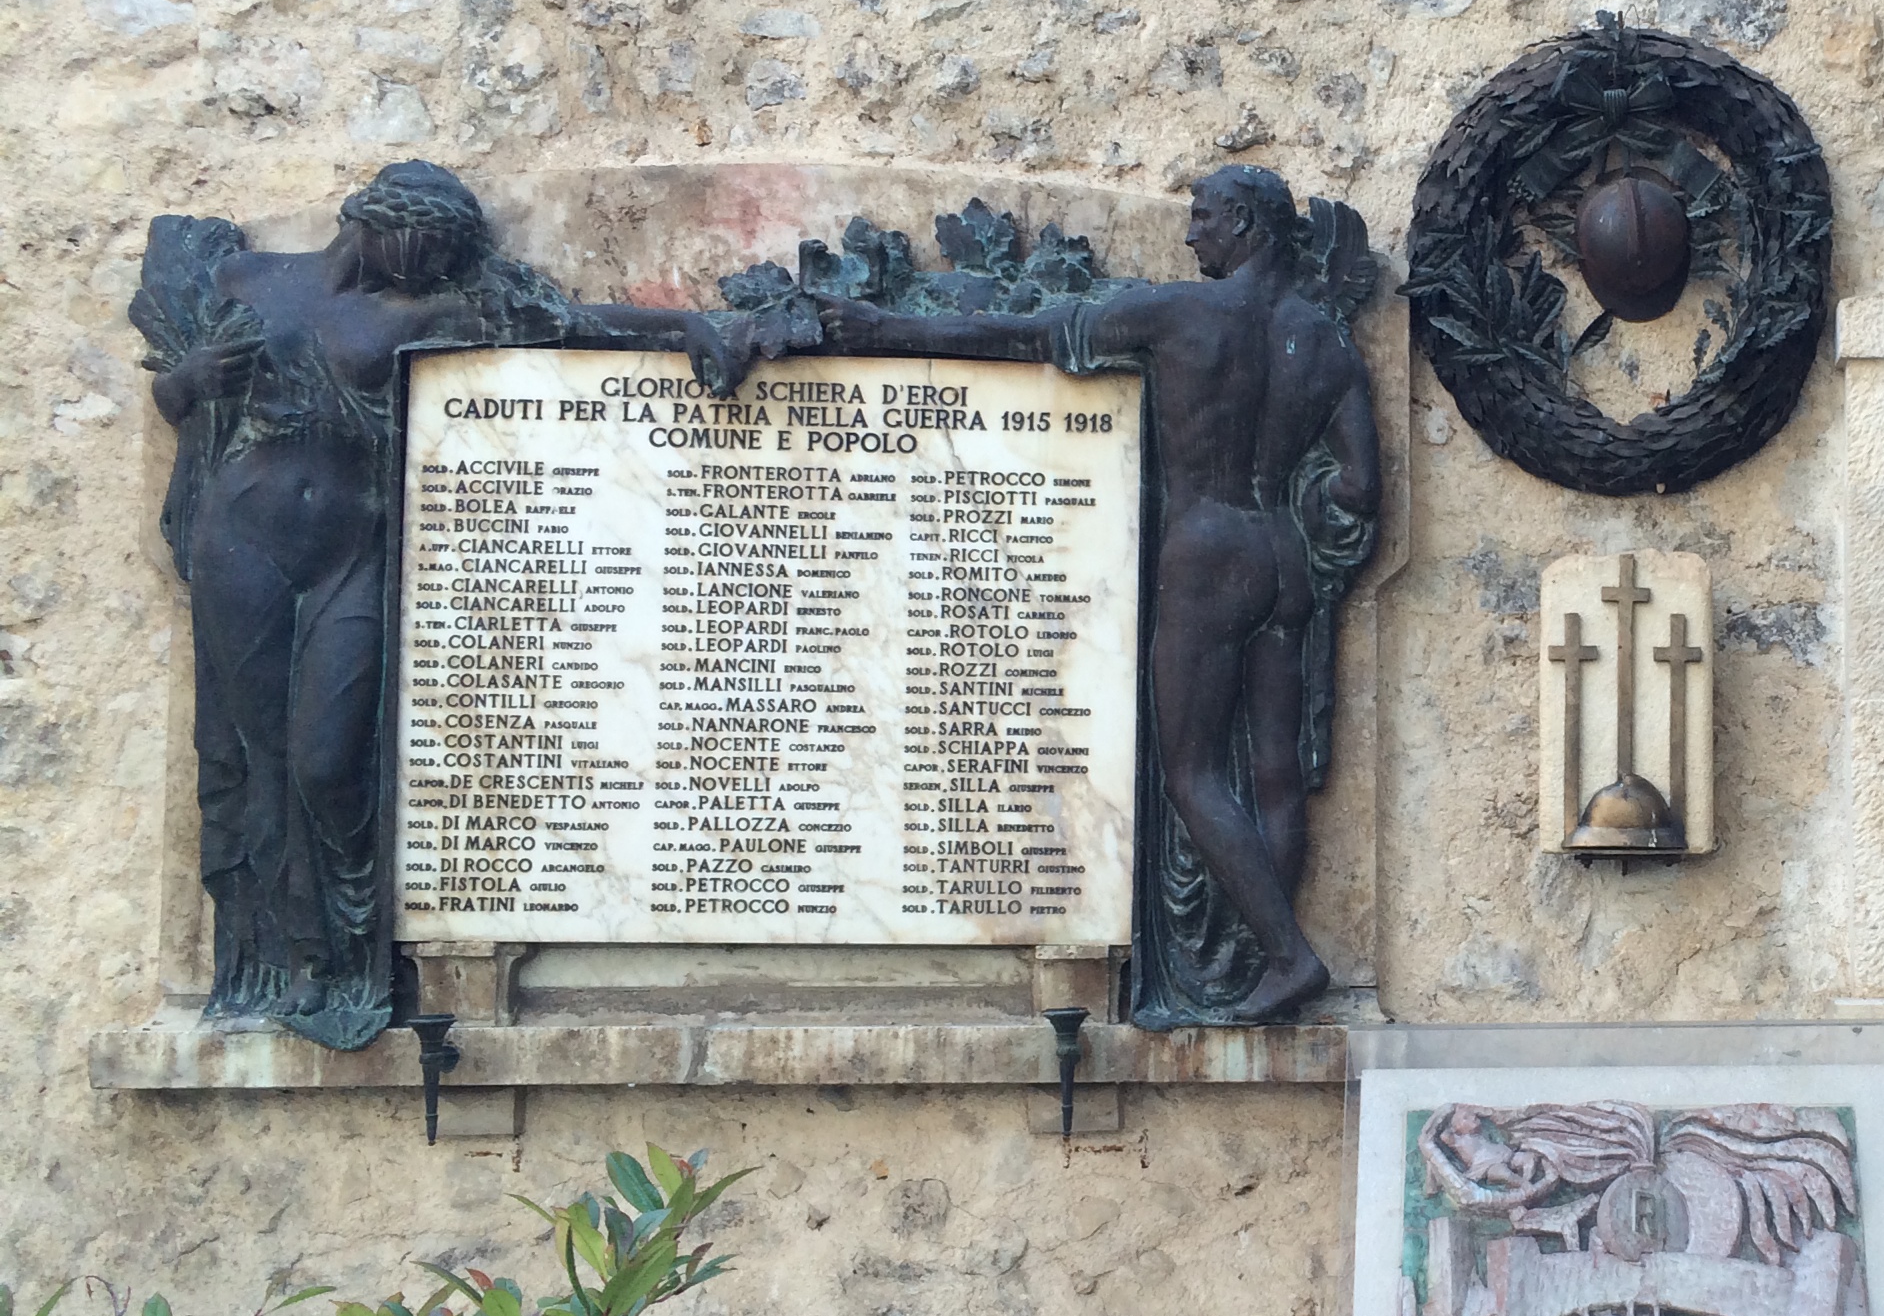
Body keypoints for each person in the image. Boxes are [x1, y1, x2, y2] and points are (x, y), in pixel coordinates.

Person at [140, 162, 767, 1046]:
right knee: (262, 760)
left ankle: (353, 952)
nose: (427, 268)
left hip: (351, 553)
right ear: (374, 222)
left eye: (441, 257)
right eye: (418, 249)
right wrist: (196, 377)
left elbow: (571, 327)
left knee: (328, 759)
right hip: (242, 541)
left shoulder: (432, 311)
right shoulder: (246, 281)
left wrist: (689, 325)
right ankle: (290, 960)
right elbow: (171, 398)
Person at [814, 165, 1380, 1024]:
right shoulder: (1326, 337)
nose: (1191, 238)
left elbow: (1030, 335)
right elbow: (1359, 486)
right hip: (1285, 556)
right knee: (1271, 774)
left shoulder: (1180, 314)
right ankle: (1257, 961)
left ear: (1243, 222)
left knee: (1190, 771)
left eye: (1201, 220)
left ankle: (1284, 955)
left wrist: (886, 325)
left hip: (1205, 551)